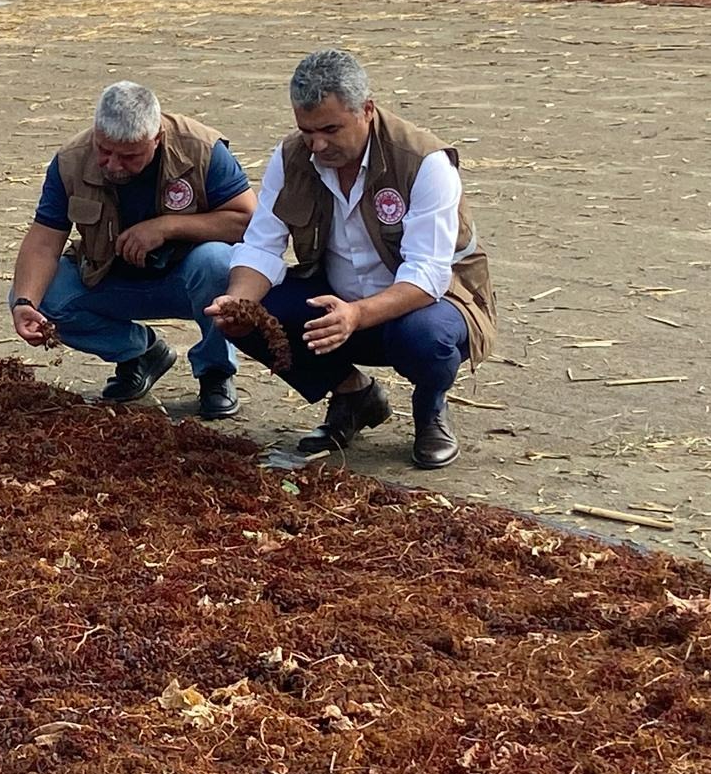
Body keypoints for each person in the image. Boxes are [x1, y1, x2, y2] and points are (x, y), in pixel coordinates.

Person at [205, 49, 495, 468]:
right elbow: (261, 245)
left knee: (425, 336)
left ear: (367, 111)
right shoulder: (291, 158)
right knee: (245, 310)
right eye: (307, 131)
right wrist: (239, 299)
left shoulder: (425, 162)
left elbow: (429, 274)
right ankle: (353, 394)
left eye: (330, 129)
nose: (317, 144)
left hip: (428, 306)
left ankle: (430, 409)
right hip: (337, 302)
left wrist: (357, 314)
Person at [10, 81, 256, 417]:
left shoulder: (201, 148)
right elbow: (43, 241)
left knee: (218, 262)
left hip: (188, 280)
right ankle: (139, 354)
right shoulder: (71, 160)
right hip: (109, 277)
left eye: (129, 156)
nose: (112, 165)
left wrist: (167, 227)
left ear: (156, 139)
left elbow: (247, 221)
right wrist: (25, 302)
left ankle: (216, 372)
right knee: (37, 294)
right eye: (104, 151)